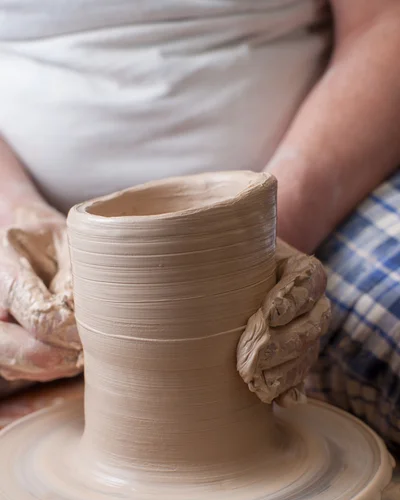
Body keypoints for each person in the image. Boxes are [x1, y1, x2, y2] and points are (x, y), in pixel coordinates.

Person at [0, 0, 399, 445]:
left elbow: (384, 24)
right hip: (24, 217)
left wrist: (260, 233)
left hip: (310, 199)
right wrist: (14, 213)